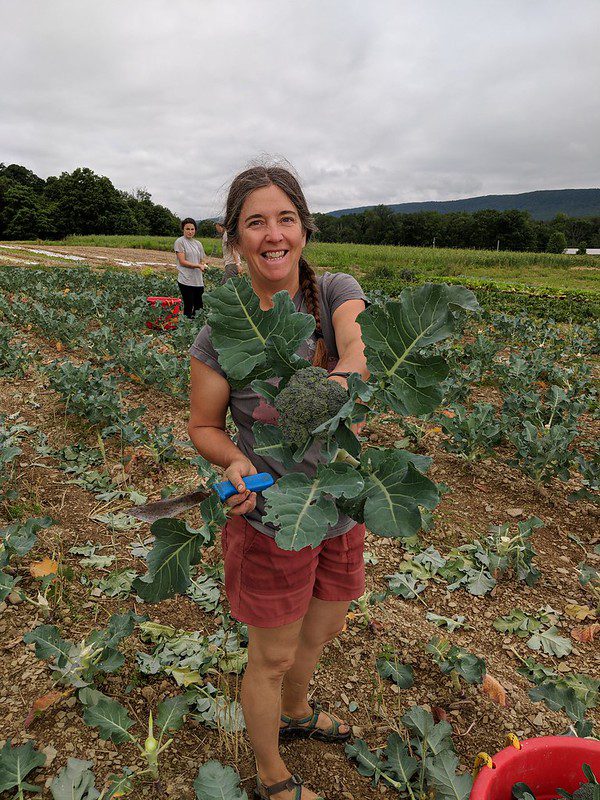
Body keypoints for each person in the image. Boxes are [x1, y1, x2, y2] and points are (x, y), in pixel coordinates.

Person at [188, 165, 369, 800]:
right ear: (234, 239)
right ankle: (271, 776)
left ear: (304, 228)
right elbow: (205, 426)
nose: (273, 234)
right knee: (271, 655)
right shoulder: (219, 334)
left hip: (341, 503)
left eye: (284, 219)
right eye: (255, 222)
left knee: (323, 629)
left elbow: (355, 342)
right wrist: (231, 464)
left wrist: (341, 374)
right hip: (273, 518)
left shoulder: (331, 292)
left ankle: (296, 715)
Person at [174, 217, 207, 318]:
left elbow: (202, 259)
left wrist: (204, 264)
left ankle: (195, 330)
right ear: (183, 229)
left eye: (192, 229)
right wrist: (198, 265)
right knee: (189, 306)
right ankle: (186, 329)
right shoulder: (180, 242)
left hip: (198, 280)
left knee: (199, 307)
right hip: (186, 279)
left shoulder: (198, 244)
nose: (190, 231)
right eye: (187, 229)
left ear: (195, 230)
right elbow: (182, 261)